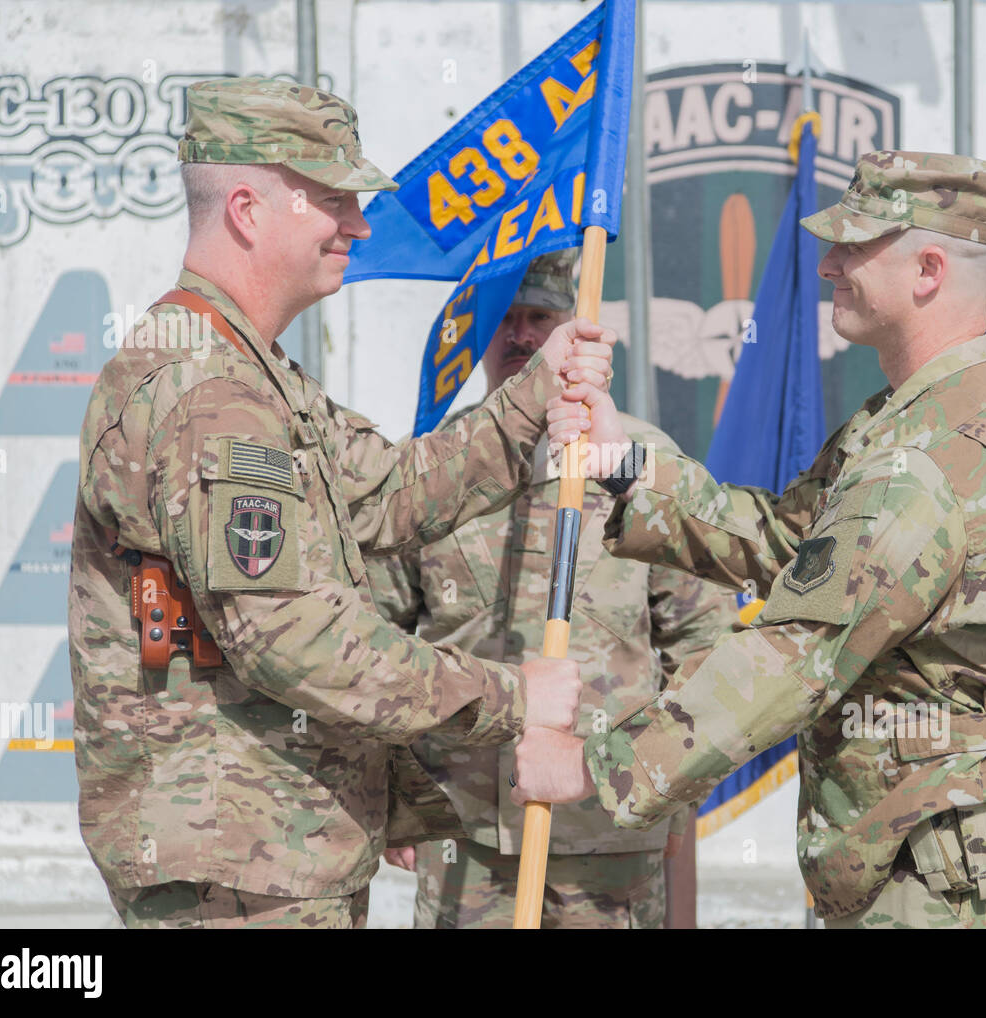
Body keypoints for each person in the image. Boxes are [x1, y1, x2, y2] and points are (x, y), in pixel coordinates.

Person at [67, 77, 613, 928]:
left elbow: (390, 492)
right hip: (237, 871)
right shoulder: (208, 393)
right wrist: (512, 697)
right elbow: (293, 638)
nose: (357, 223)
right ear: (248, 210)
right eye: (332, 199)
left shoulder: (250, 373)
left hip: (266, 855)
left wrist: (530, 401)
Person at [517, 151, 986, 929]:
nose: (826, 266)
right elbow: (794, 546)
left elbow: (793, 655)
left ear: (927, 270)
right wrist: (628, 471)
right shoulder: (916, 421)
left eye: (854, 245)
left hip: (948, 897)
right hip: (925, 861)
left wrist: (590, 764)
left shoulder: (926, 463)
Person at [372, 251, 736, 928]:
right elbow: (377, 637)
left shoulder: (641, 464)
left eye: (540, 318)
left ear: (575, 328)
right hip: (464, 830)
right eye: (506, 319)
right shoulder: (429, 468)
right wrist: (391, 791)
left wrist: (674, 785)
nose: (521, 336)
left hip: (606, 825)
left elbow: (704, 644)